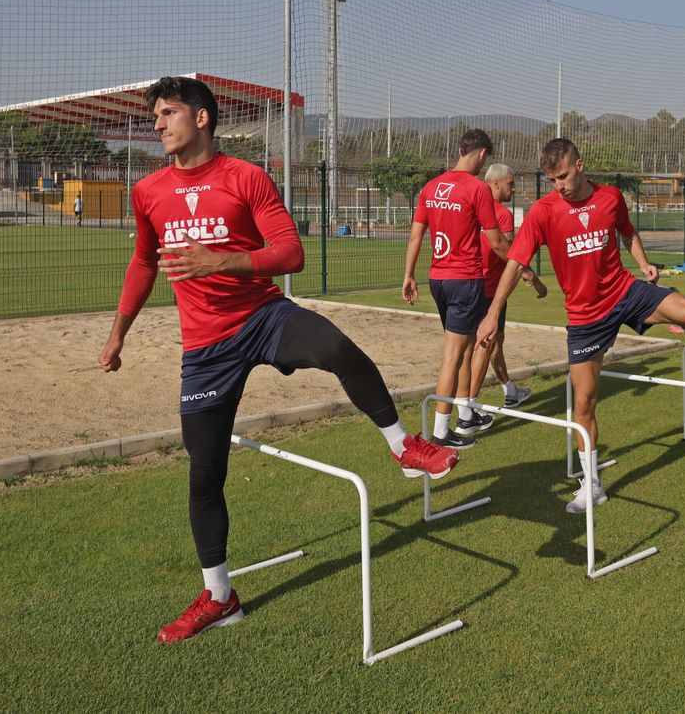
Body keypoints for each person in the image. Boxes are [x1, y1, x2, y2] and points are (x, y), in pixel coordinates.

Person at [99, 76, 459, 643]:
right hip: (205, 348)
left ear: (201, 118)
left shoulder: (246, 177)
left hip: (265, 317)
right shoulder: (148, 192)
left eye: (168, 113)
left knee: (338, 347)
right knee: (204, 474)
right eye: (155, 116)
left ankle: (404, 447)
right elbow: (145, 265)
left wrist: (222, 261)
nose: (158, 124)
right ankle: (220, 595)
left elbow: (290, 253)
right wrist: (119, 334)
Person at [476, 139, 685, 514]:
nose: (558, 185)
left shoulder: (610, 197)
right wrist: (494, 313)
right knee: (583, 405)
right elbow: (514, 263)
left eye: (562, 176)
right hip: (584, 316)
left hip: (625, 292)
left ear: (579, 165)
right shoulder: (543, 212)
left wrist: (641, 262)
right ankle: (591, 485)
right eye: (551, 179)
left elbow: (627, 232)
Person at [401, 129, 511, 448]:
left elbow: (415, 236)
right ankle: (440, 432)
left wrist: (409, 275)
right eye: (485, 158)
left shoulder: (430, 187)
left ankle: (466, 412)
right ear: (481, 155)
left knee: (462, 348)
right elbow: (497, 242)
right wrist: (525, 268)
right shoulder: (477, 189)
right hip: (466, 281)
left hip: (438, 280)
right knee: (453, 354)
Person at [465, 162, 548, 410]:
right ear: (495, 183)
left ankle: (509, 391)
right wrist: (534, 279)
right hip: (491, 290)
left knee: (494, 343)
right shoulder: (501, 213)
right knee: (487, 344)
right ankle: (468, 407)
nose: (514, 187)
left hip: (467, 286)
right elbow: (512, 256)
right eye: (511, 183)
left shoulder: (470, 208)